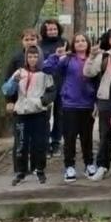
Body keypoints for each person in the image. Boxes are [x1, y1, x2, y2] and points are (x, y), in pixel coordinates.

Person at [43, 33, 96, 181]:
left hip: (88, 104)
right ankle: (69, 166)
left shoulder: (92, 59)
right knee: (70, 137)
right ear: (73, 44)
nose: (80, 43)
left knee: (87, 137)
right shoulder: (67, 59)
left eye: (83, 40)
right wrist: (56, 56)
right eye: (77, 41)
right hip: (70, 104)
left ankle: (89, 164)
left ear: (88, 43)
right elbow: (47, 68)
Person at [1, 45, 55, 185]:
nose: (32, 60)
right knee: (21, 143)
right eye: (30, 57)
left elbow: (51, 92)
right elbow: (7, 90)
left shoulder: (45, 74)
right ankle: (21, 171)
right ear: (26, 58)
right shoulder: (19, 72)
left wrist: (42, 101)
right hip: (21, 114)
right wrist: (14, 81)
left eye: (35, 57)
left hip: (39, 113)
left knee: (39, 143)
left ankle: (40, 169)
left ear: (40, 58)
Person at [83, 27, 111, 181]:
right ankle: (103, 165)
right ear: (109, 40)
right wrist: (91, 56)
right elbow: (88, 73)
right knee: (105, 134)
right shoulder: (103, 56)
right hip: (105, 98)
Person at [39, 19, 68, 156]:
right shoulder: (40, 45)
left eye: (54, 29)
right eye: (49, 29)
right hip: (45, 84)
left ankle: (56, 141)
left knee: (60, 115)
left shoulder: (64, 42)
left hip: (62, 83)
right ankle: (45, 143)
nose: (52, 32)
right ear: (45, 31)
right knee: (45, 114)